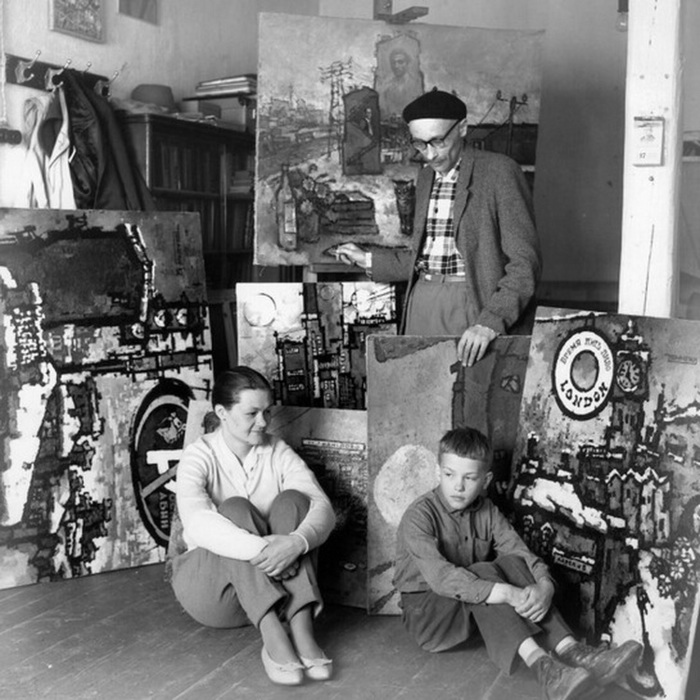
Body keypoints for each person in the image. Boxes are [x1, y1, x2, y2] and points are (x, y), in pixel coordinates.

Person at [394, 427, 643, 700]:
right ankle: (544, 668)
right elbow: (442, 578)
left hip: (472, 612)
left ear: (485, 480)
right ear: (437, 472)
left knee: (510, 562)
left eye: (469, 477)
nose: (458, 486)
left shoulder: (487, 510)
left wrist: (545, 586)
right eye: (450, 474)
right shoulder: (419, 515)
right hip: (429, 619)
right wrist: (510, 594)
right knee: (480, 574)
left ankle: (573, 651)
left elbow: (519, 552)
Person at [334, 89, 541, 367]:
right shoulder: (425, 178)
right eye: (420, 144)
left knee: (465, 400)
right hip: (421, 302)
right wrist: (367, 259)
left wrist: (491, 321)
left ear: (463, 128)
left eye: (438, 141)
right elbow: (423, 256)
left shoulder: (500, 172)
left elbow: (524, 263)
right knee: (418, 396)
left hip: (474, 306)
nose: (430, 154)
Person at [168, 366, 336, 686]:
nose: (263, 421)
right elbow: (198, 523)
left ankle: (302, 631)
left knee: (295, 500)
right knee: (232, 509)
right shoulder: (199, 455)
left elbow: (323, 509)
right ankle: (273, 639)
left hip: (276, 589)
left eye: (267, 411)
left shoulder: (276, 450)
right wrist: (268, 550)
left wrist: (296, 543)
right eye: (252, 413)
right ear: (222, 413)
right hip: (214, 593)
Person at [376, 47, 424, 119]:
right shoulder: (386, 85)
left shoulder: (415, 84)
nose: (396, 66)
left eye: (400, 62)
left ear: (407, 63)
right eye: (393, 63)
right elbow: (382, 107)